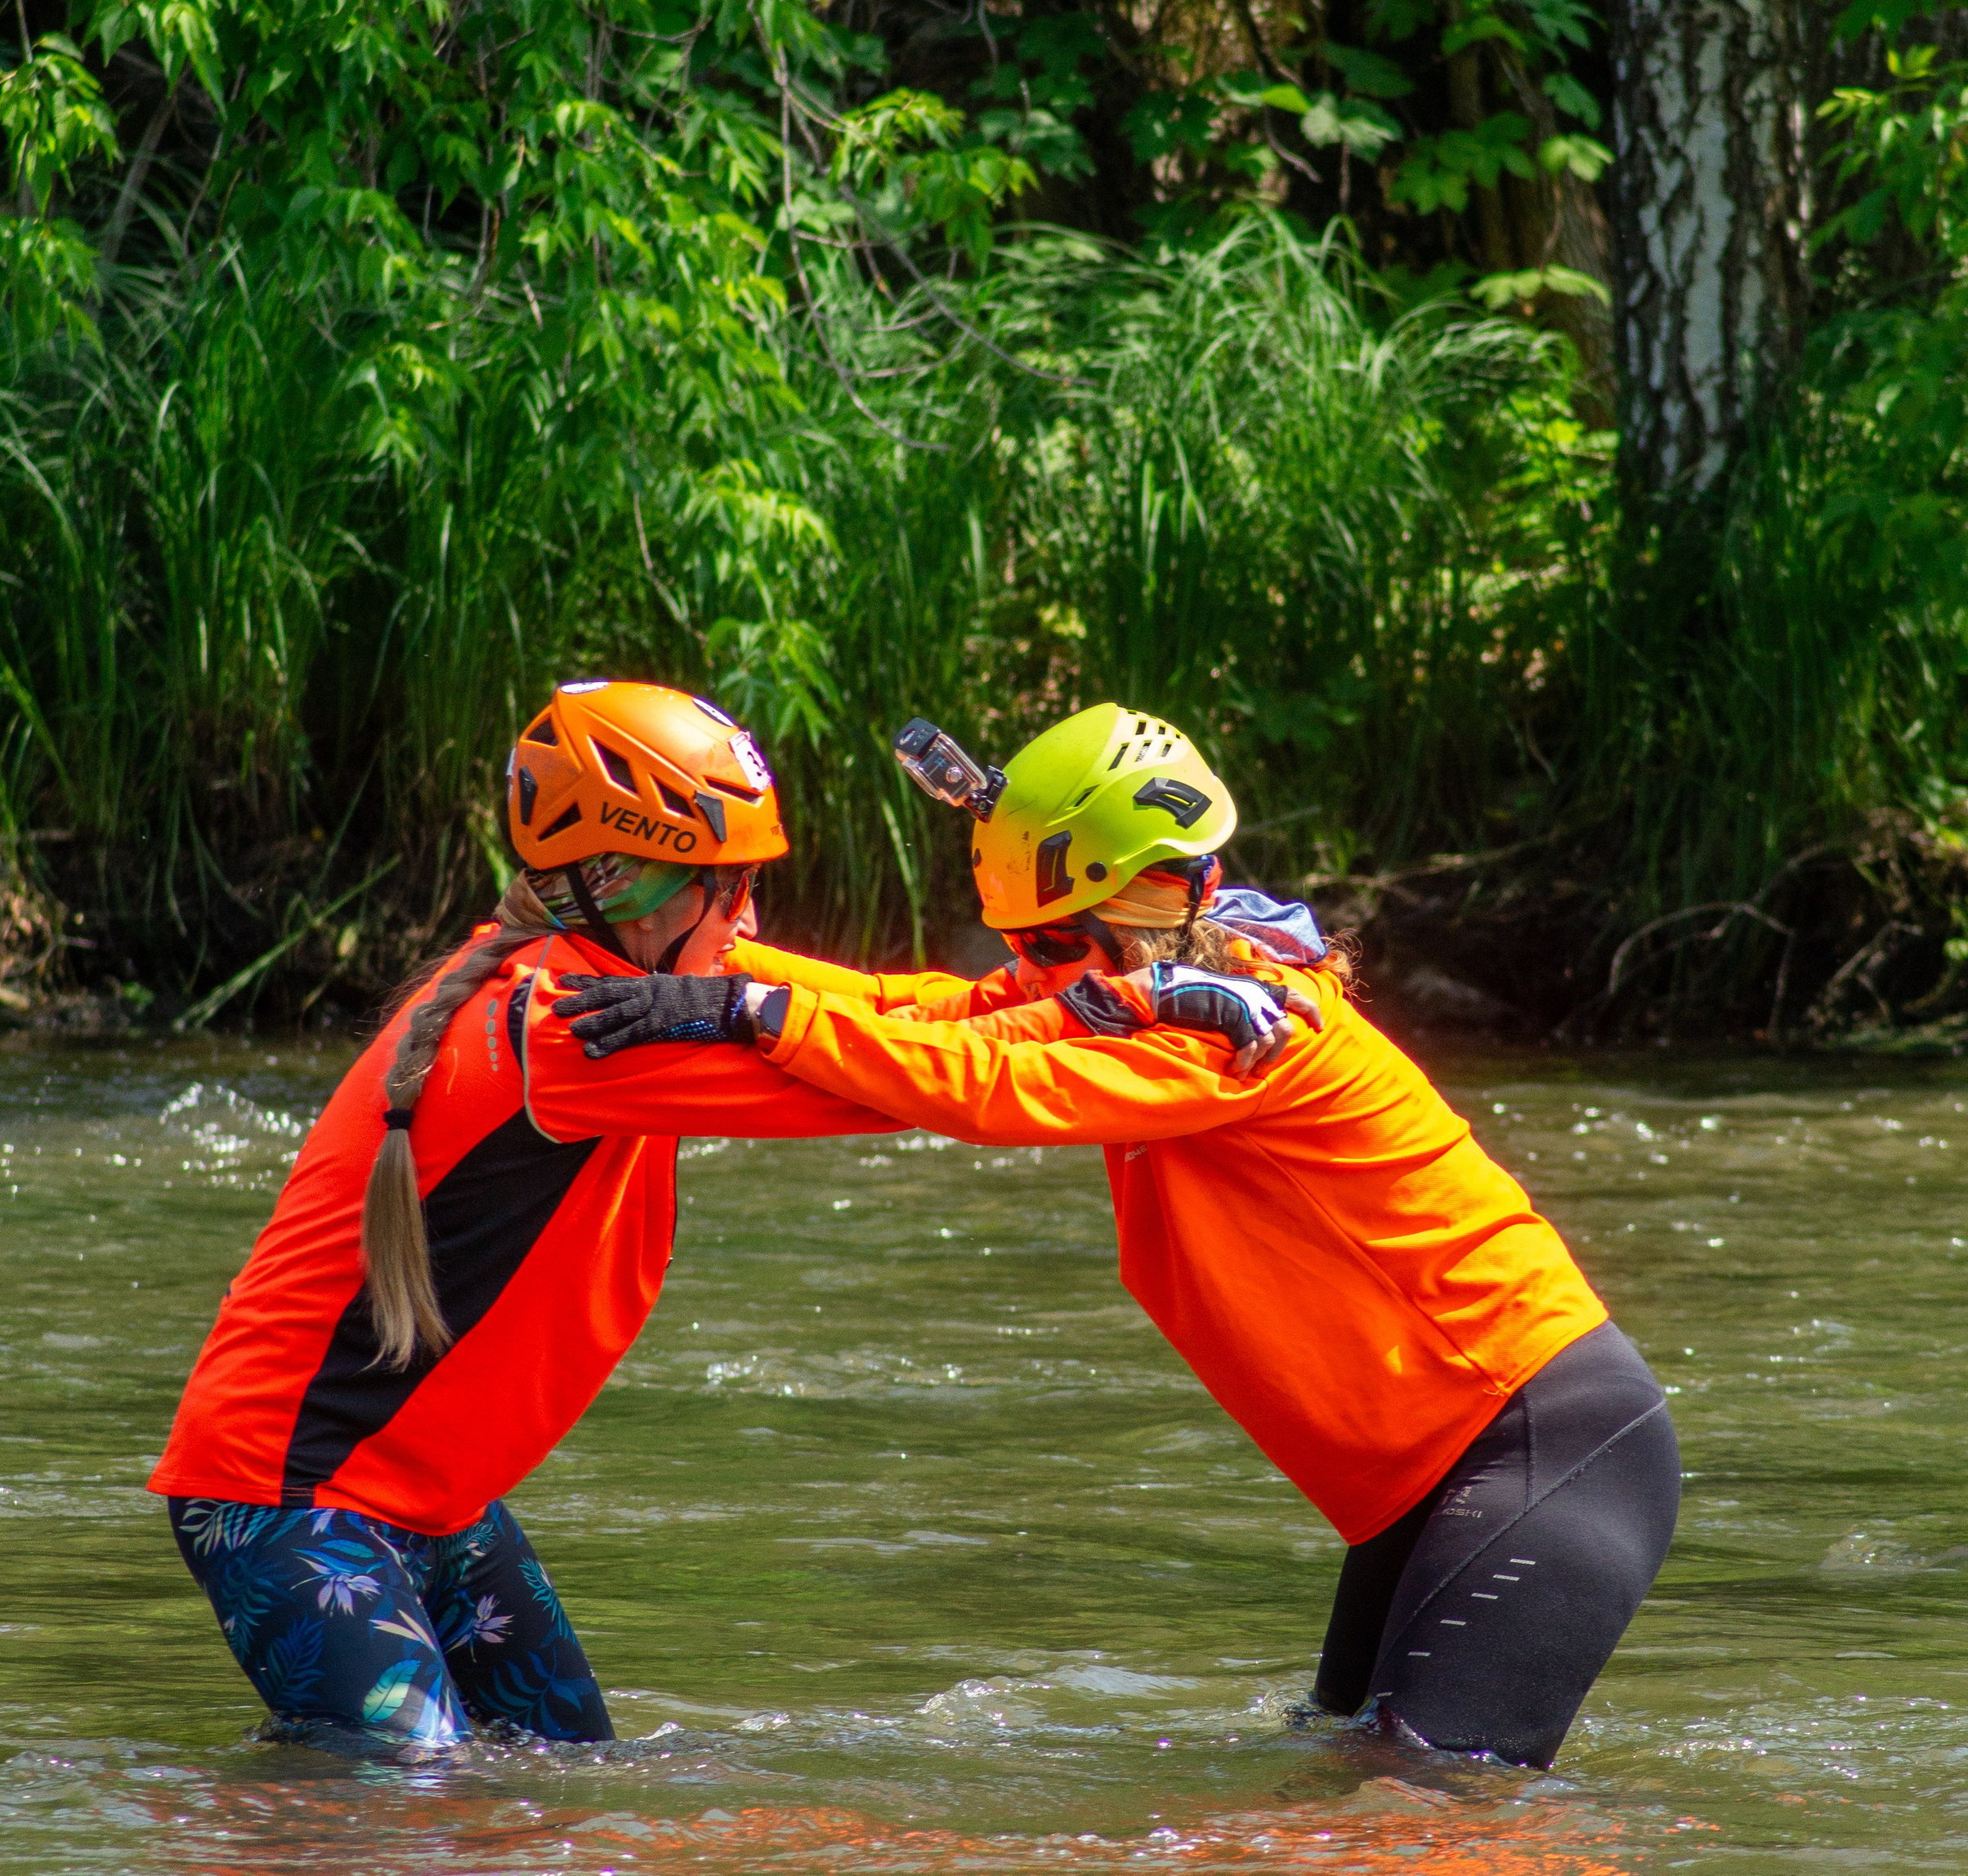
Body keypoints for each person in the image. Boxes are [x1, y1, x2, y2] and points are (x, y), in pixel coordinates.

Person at [150, 681, 1282, 1753]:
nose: (751, 918)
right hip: (287, 1496)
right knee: (406, 1805)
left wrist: (1107, 984)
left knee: (565, 1788)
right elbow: (897, 1080)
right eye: (728, 886)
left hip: (427, 1498)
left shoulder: (637, 974)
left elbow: (900, 1008)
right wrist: (1125, 1010)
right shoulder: (583, 1026)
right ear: (625, 883)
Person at [552, 701, 1682, 1771]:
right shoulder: (1147, 987)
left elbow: (991, 1088)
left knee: (1420, 1821)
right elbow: (931, 1013)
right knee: (1346, 1790)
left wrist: (748, 1014)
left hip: (1542, 1444)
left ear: (1127, 906)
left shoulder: (1240, 1028)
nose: (1030, 976)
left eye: (1050, 945)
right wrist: (728, 969)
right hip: (1431, 1480)